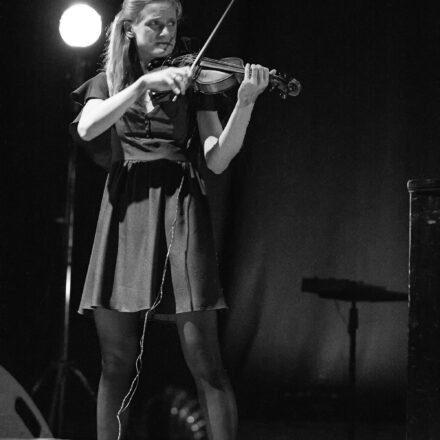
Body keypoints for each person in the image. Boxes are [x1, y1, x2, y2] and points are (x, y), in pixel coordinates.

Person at [71, 0, 270, 439]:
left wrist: (245, 104)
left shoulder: (193, 83)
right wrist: (142, 81)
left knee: (207, 363)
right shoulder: (107, 83)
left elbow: (217, 159)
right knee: (116, 363)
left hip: (180, 206)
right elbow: (88, 129)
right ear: (129, 29)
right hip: (125, 213)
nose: (166, 33)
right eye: (154, 24)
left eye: (172, 25)